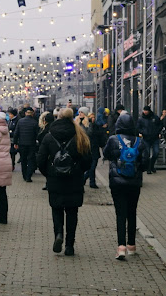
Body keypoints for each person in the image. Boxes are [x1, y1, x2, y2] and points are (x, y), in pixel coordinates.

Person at [37, 108, 92, 256]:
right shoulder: (80, 135)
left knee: (56, 209)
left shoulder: (49, 136)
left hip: (55, 180)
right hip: (74, 180)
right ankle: (69, 245)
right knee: (72, 212)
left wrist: (49, 174)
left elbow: (40, 160)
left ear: (58, 118)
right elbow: (88, 160)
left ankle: (58, 234)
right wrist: (80, 171)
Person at [105, 112, 148, 260]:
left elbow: (107, 154)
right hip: (134, 182)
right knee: (132, 211)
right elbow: (145, 163)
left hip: (117, 182)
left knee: (120, 213)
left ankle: (121, 247)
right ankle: (132, 245)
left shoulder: (112, 139)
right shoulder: (139, 141)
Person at [13, 107, 40, 182]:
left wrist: (15, 142)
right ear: (32, 113)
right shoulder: (35, 122)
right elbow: (37, 134)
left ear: (25, 113)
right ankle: (29, 176)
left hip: (22, 144)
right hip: (32, 144)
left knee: (23, 160)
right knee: (31, 160)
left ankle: (24, 175)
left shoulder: (20, 121)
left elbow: (16, 133)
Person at [136, 106, 163, 174]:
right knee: (146, 154)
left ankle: (152, 165)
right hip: (146, 138)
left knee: (156, 152)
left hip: (155, 138)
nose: (145, 112)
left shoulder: (155, 118)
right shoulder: (141, 119)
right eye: (144, 110)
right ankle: (149, 168)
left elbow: (160, 125)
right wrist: (143, 132)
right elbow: (138, 128)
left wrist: (157, 132)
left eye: (146, 110)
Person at [38, 112, 55, 190]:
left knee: (48, 166)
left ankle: (49, 184)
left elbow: (40, 137)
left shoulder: (46, 129)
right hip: (52, 150)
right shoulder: (54, 126)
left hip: (46, 150)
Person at [84, 113, 101, 189]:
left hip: (95, 148)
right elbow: (89, 133)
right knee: (92, 167)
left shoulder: (97, 126)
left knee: (93, 166)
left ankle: (91, 181)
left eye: (93, 117)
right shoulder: (87, 126)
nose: (93, 119)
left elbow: (100, 136)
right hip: (89, 149)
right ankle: (89, 180)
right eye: (91, 117)